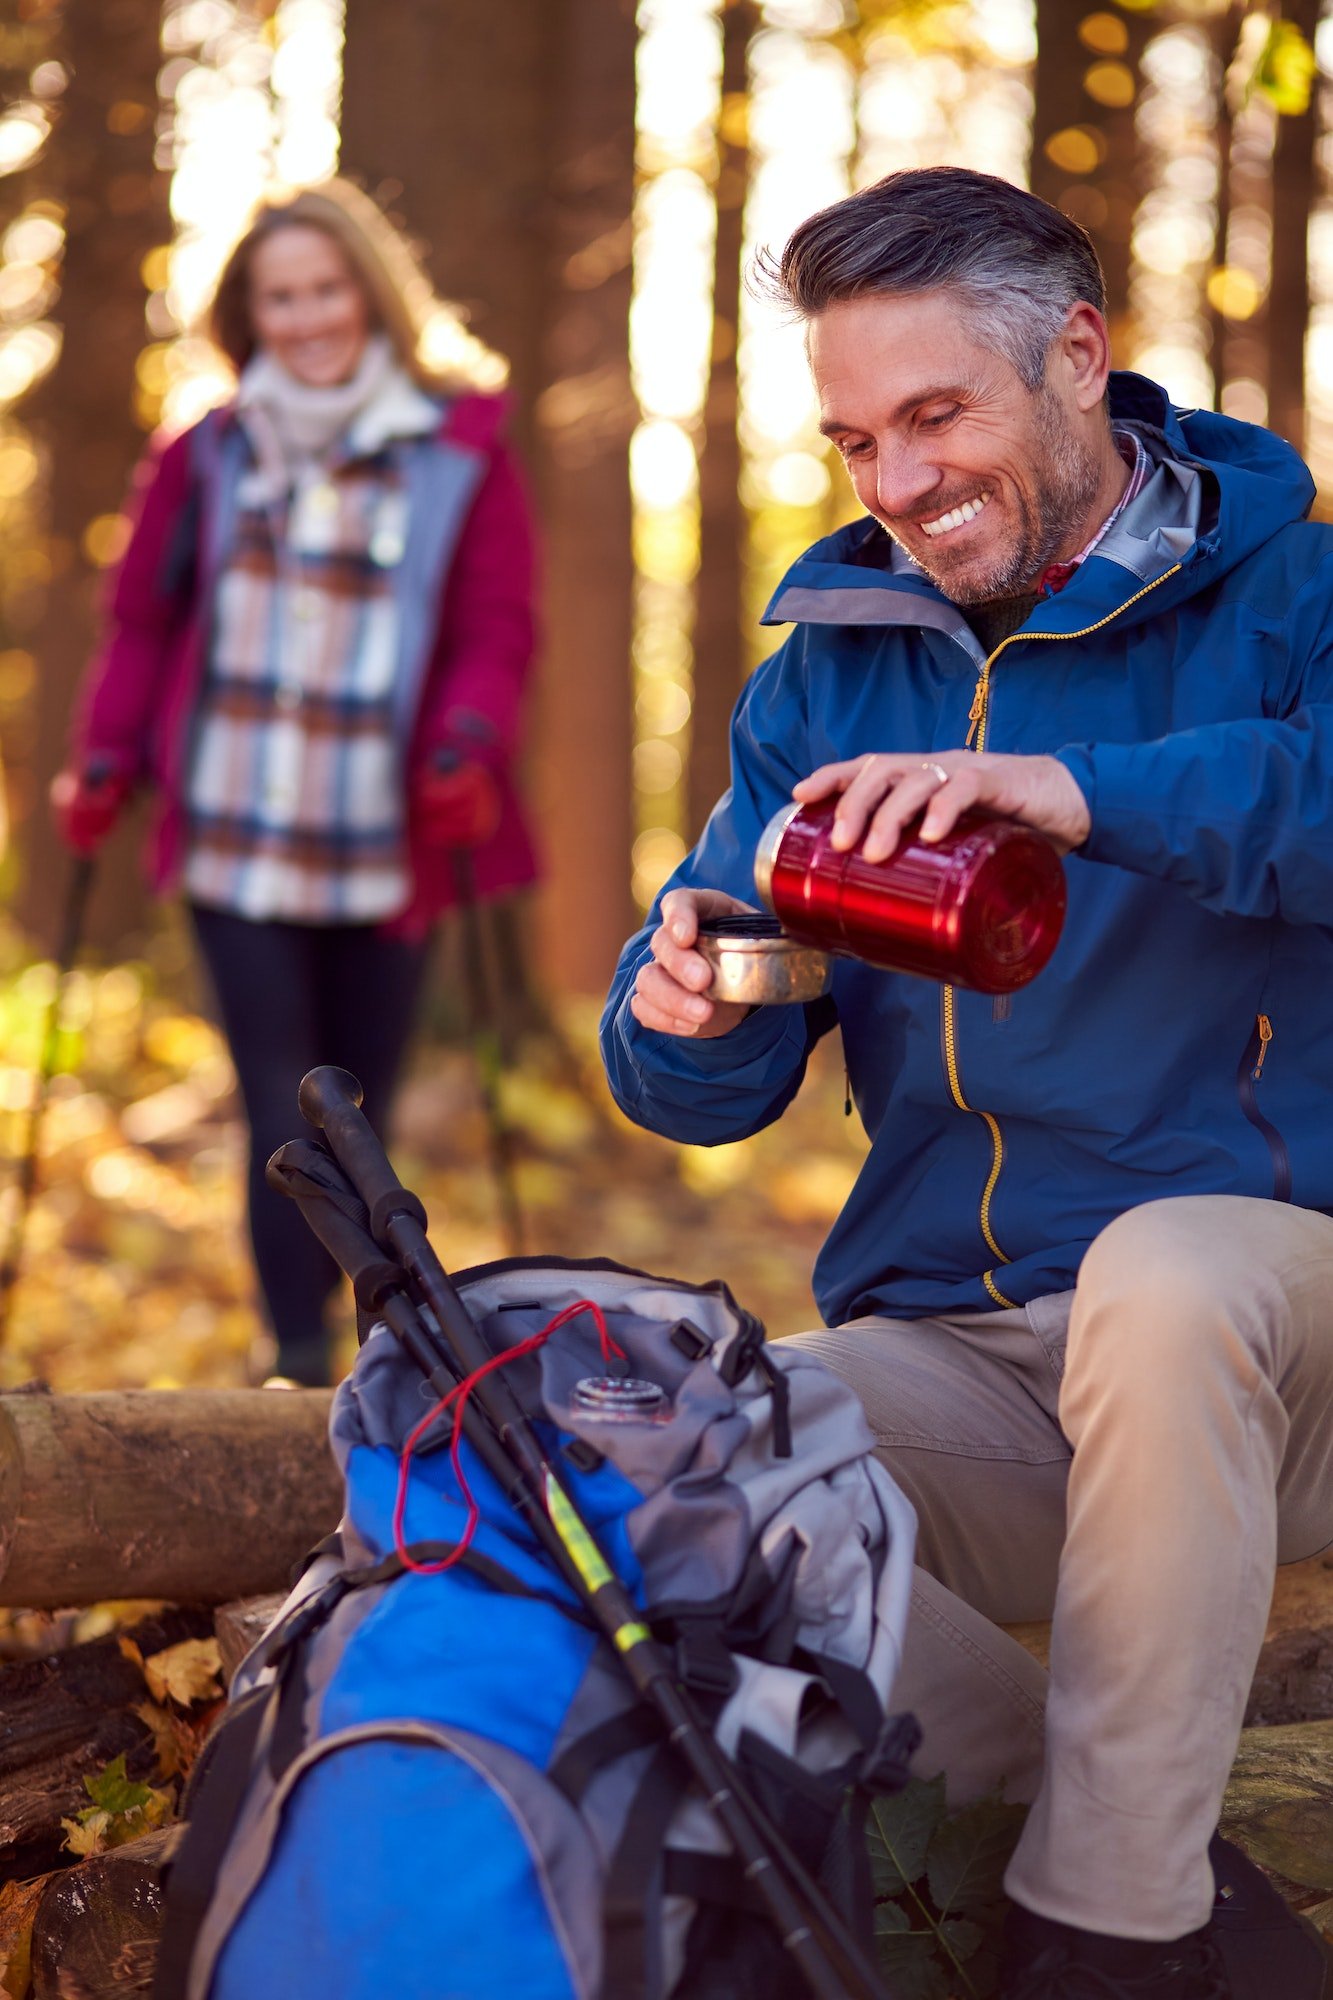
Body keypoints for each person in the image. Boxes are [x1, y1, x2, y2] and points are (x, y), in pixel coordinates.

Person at [600, 167, 1333, 2000]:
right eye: (855, 438)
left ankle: (1105, 1957)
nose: (895, 486)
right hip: (971, 1347)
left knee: (1165, 1283)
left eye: (934, 418)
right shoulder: (829, 671)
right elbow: (700, 1085)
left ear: (1074, 357)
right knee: (642, 1444)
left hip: (1270, 1333)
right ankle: (1163, 1887)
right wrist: (687, 1006)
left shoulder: (1297, 587)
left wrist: (1083, 797)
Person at [54, 179, 538, 1387]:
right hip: (234, 825)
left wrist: (468, 738)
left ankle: (384, 1353)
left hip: (389, 834)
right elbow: (142, 623)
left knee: (359, 1111)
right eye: (282, 297)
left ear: (371, 293)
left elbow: (497, 621)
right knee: (282, 1107)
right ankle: (295, 1355)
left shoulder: (457, 442)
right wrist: (105, 752)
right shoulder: (207, 449)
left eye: (327, 288)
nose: (309, 315)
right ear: (249, 315)